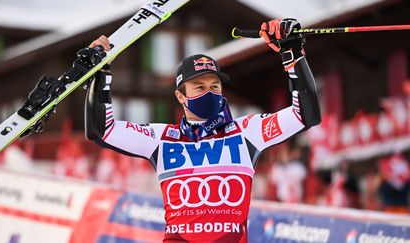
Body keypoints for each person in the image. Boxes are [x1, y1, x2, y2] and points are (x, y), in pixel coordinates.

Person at [85, 18, 320, 242]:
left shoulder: (247, 132)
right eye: (199, 86)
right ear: (181, 96)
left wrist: (292, 54)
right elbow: (101, 130)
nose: (209, 92)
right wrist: (100, 74)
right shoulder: (162, 139)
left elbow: (305, 115)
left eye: (214, 86)